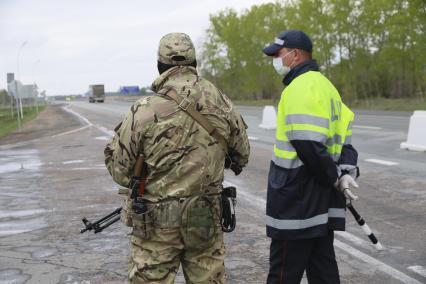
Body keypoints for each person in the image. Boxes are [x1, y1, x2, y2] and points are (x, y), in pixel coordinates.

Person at [104, 32, 250, 284]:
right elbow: (242, 156)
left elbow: (121, 172)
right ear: (194, 63)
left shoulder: (144, 109)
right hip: (205, 216)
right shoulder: (222, 102)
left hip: (156, 224)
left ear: (160, 66)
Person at [262, 30, 360, 284]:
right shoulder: (327, 87)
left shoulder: (299, 88)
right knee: (323, 271)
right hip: (321, 203)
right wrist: (346, 172)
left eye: (277, 54)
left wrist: (335, 177)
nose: (274, 59)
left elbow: (307, 146)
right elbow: (344, 134)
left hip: (297, 201)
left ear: (294, 55)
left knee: (283, 273)